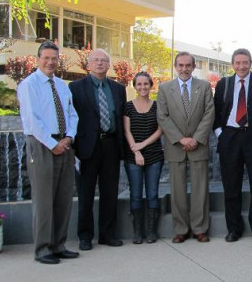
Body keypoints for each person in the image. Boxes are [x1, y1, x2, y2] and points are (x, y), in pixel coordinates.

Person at [18, 42, 79, 264]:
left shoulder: (62, 85)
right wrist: (52, 143)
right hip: (42, 145)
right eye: (46, 57)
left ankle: (59, 245)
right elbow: (32, 120)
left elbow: (73, 115)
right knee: (44, 201)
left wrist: (69, 137)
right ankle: (43, 249)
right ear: (38, 58)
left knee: (64, 198)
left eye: (54, 58)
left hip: (64, 144)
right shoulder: (29, 85)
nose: (51, 62)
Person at [213, 48, 252, 242]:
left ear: (250, 63)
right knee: (231, 185)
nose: (241, 66)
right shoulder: (224, 83)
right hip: (230, 138)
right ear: (232, 64)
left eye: (245, 62)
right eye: (238, 63)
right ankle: (234, 228)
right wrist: (220, 135)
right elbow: (215, 112)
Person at [70, 48, 126, 251]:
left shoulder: (118, 89)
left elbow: (120, 118)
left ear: (109, 64)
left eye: (104, 60)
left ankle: (108, 234)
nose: (100, 63)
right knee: (85, 193)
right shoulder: (75, 87)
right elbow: (71, 117)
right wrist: (74, 148)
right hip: (86, 147)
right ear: (88, 64)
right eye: (96, 60)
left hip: (111, 144)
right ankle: (85, 236)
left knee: (110, 192)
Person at [157, 52, 215, 244]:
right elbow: (162, 117)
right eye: (180, 65)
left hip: (198, 145)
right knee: (177, 190)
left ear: (193, 66)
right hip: (176, 146)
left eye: (188, 65)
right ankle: (181, 229)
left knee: (200, 189)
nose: (184, 69)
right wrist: (181, 139)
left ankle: (200, 229)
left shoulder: (204, 86)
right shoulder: (165, 88)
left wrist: (196, 139)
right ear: (175, 67)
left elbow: (209, 113)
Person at [123, 72, 164, 244]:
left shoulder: (157, 106)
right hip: (133, 157)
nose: (142, 87)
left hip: (154, 155)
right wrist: (136, 151)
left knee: (153, 193)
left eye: (146, 84)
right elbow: (127, 131)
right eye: (139, 84)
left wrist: (143, 145)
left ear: (151, 85)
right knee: (136, 194)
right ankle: (138, 232)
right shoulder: (128, 106)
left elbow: (160, 130)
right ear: (134, 86)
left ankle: (151, 232)